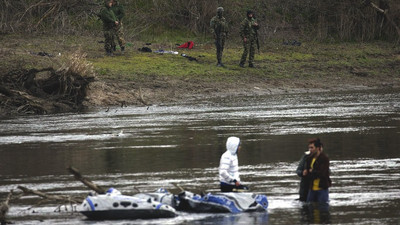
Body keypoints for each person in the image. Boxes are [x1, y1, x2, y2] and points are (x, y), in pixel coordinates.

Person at [303, 138, 331, 203]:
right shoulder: (309, 158)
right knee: (310, 208)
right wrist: (305, 172)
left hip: (322, 188)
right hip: (311, 188)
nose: (310, 150)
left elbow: (322, 173)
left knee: (322, 208)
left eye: (312, 148)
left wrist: (312, 172)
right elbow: (308, 172)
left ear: (318, 148)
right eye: (309, 148)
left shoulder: (324, 158)